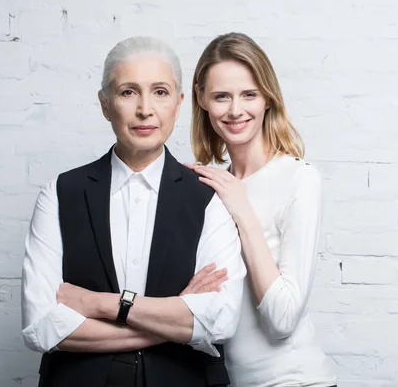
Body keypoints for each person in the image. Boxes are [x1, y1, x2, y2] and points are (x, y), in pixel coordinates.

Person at [21, 36, 246, 387]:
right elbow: (42, 327)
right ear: (105, 104)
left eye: (160, 92)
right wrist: (174, 320)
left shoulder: (208, 197)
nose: (145, 109)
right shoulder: (60, 194)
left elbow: (219, 321)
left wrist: (99, 304)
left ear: (179, 103)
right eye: (128, 92)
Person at [189, 32, 337, 387]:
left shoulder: (299, 179)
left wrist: (242, 210)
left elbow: (282, 319)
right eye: (222, 96)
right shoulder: (211, 187)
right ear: (201, 98)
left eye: (249, 95)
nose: (236, 110)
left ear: (268, 99)